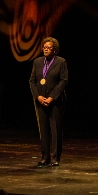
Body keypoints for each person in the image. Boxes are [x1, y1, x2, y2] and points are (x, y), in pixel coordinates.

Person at [29, 37, 68, 167]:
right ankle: (45, 157)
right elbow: (32, 81)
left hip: (55, 101)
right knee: (44, 130)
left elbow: (63, 81)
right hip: (41, 101)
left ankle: (55, 158)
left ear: (55, 49)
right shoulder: (37, 62)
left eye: (49, 47)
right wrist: (37, 96)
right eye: (44, 47)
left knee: (55, 130)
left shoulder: (61, 62)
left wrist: (52, 97)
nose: (46, 49)